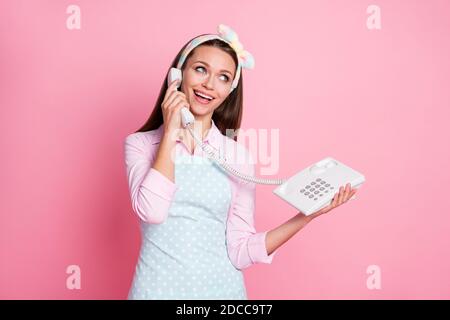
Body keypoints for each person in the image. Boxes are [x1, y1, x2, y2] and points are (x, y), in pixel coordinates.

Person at [124, 24, 357, 300]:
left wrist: (307, 215)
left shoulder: (236, 157)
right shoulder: (140, 145)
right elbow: (152, 211)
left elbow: (240, 250)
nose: (209, 85)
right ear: (177, 74)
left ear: (230, 90)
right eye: (200, 69)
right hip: (155, 292)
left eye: (223, 77)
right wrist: (171, 133)